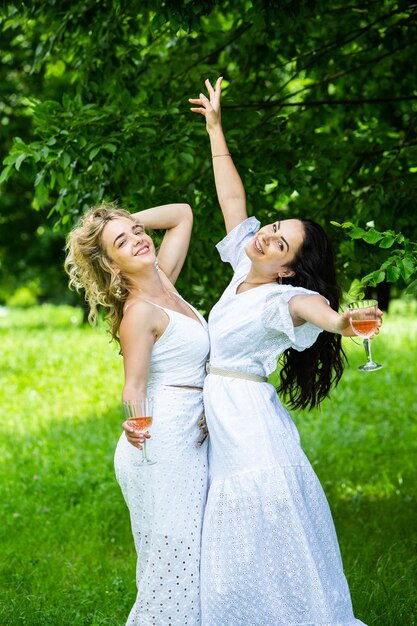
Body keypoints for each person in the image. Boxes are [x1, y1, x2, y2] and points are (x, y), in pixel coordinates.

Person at [189, 78, 382, 625]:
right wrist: (216, 128)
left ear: (288, 266)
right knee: (234, 532)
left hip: (250, 421)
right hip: (224, 413)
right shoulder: (240, 271)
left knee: (263, 521)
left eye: (279, 243)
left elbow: (323, 315)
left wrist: (347, 323)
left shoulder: (287, 296)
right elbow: (231, 197)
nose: (265, 236)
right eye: (272, 228)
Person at [65, 201, 209, 626]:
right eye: (122, 244)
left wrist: (114, 226)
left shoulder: (164, 281)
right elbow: (134, 386)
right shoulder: (140, 310)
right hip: (159, 447)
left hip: (189, 440)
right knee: (171, 563)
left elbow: (183, 213)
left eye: (139, 232)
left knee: (192, 557)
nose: (139, 240)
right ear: (111, 264)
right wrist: (135, 425)